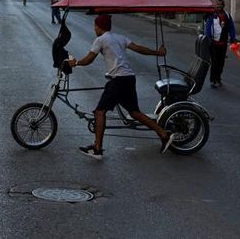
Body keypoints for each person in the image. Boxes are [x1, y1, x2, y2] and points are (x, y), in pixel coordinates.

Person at [68, 14, 176, 159]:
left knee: (100, 112)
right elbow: (138, 48)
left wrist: (76, 63)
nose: (94, 29)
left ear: (99, 27)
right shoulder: (119, 37)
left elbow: (89, 59)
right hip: (129, 78)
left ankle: (97, 149)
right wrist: (157, 52)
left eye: (95, 26)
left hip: (118, 81)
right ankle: (163, 133)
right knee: (134, 112)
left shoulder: (100, 40)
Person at [203, 0, 237, 89]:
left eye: (221, 4)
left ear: (223, 5)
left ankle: (218, 78)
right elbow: (207, 27)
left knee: (221, 62)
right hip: (213, 43)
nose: (219, 6)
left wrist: (233, 38)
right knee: (214, 62)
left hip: (223, 43)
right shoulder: (211, 15)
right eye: (217, 4)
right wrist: (208, 38)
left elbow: (231, 27)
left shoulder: (227, 15)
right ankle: (213, 80)